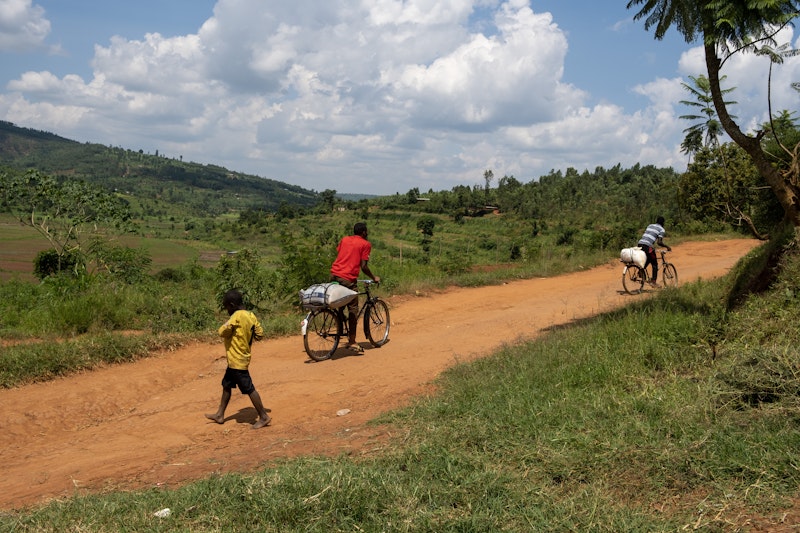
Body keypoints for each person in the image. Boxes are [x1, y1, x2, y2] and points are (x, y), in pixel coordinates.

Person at [205, 289, 271, 429]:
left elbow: (222, 332)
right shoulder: (251, 315)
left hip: (237, 361)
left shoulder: (235, 317)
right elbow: (260, 334)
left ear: (232, 304)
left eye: (226, 306)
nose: (226, 310)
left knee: (249, 388)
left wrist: (228, 327)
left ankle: (263, 416)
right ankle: (220, 414)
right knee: (227, 384)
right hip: (239, 358)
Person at [330, 221, 381, 353]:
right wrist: (373, 277)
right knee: (353, 309)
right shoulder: (365, 244)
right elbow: (363, 266)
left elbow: (342, 255)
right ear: (364, 232)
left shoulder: (345, 239)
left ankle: (340, 321)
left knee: (340, 303)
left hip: (334, 275)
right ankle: (352, 341)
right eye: (367, 231)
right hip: (347, 279)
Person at [637, 216, 672, 286]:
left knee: (649, 258)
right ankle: (653, 282)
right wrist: (667, 246)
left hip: (640, 244)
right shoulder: (662, 229)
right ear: (663, 223)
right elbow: (659, 242)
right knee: (655, 264)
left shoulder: (650, 225)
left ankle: (641, 271)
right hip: (647, 246)